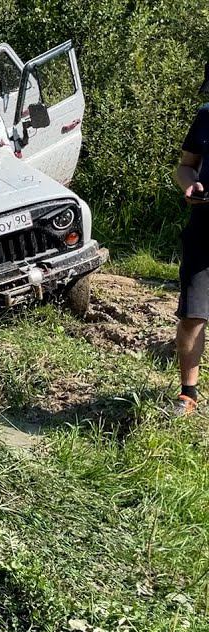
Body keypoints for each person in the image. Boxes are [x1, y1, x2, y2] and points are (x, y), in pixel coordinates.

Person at [170, 60, 209, 415]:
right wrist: (190, 186)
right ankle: (189, 395)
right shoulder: (205, 117)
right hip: (204, 227)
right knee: (193, 314)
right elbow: (185, 165)